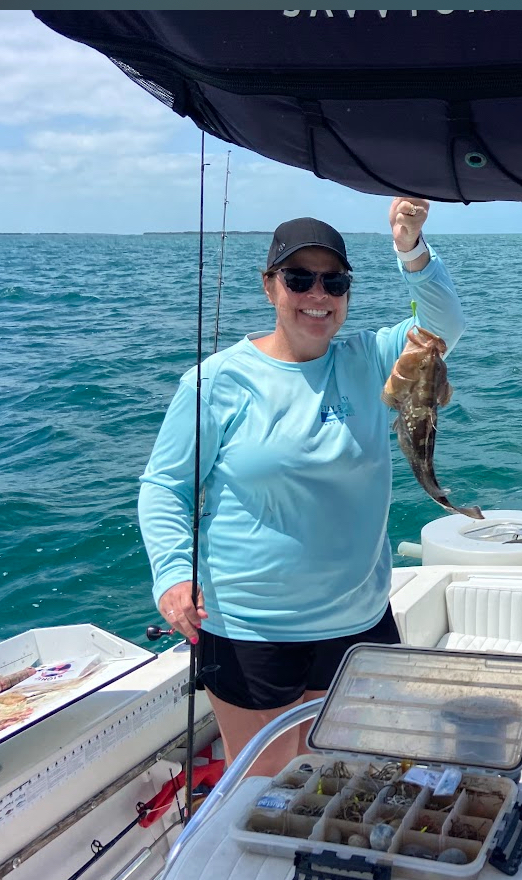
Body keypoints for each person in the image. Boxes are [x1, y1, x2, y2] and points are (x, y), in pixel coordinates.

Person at [138, 198, 468, 777]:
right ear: (270, 287)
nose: (318, 295)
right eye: (300, 278)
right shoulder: (217, 381)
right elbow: (165, 486)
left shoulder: (372, 360)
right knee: (263, 779)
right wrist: (172, 574)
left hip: (359, 616)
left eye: (334, 282)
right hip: (250, 626)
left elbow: (443, 324)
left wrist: (411, 248)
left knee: (341, 772)